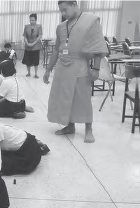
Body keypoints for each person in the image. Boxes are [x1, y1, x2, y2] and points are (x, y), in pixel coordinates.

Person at [43, 0, 107, 143]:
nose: (63, 13)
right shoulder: (60, 27)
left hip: (80, 65)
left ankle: (88, 129)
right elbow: (56, 49)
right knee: (65, 98)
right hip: (62, 67)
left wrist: (96, 69)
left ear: (74, 4)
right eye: (60, 11)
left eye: (65, 10)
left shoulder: (90, 22)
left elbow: (98, 47)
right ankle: (69, 126)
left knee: (82, 98)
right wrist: (48, 69)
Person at [22, 13, 43, 78]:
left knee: (35, 61)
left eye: (33, 20)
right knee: (28, 60)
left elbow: (39, 36)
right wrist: (27, 43)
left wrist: (33, 43)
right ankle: (28, 73)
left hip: (36, 46)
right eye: (30, 20)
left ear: (36, 20)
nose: (31, 21)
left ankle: (36, 74)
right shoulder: (26, 26)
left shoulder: (39, 26)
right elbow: (25, 36)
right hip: (28, 46)